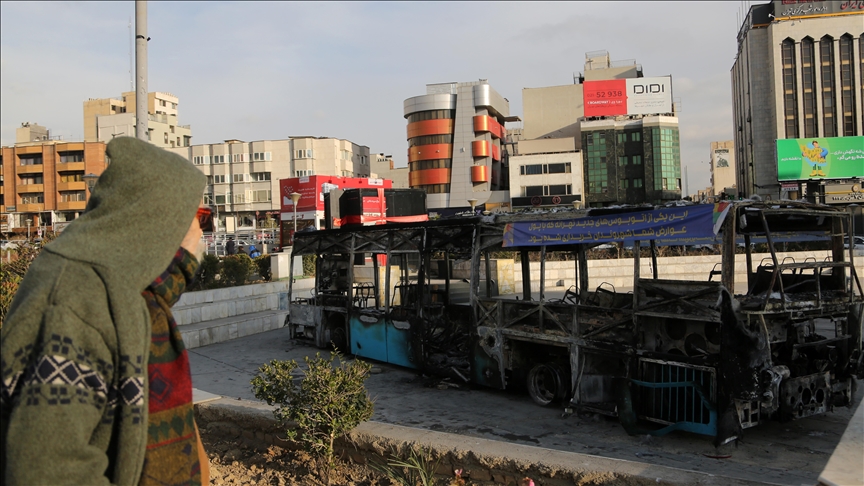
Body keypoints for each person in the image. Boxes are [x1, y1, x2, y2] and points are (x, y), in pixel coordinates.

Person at [1, 137, 208, 485]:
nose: (202, 233)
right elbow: (47, 472)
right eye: (200, 217)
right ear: (157, 220)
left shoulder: (129, 293)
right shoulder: (77, 298)